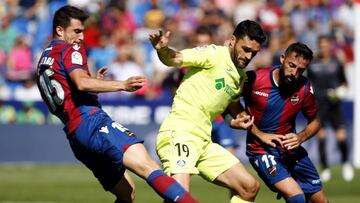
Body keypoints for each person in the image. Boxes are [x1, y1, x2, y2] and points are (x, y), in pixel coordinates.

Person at [36, 5, 198, 203]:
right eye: (76, 31)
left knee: (126, 194)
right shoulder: (70, 49)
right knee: (149, 166)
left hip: (75, 135)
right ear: (60, 30)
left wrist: (94, 84)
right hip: (92, 122)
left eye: (83, 32)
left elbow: (69, 91)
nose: (81, 38)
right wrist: (123, 84)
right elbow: (81, 82)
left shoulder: (44, 59)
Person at [149, 20, 266, 203]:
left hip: (204, 141)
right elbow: (175, 58)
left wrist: (233, 120)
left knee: (249, 187)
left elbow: (231, 106)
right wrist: (162, 49)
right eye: (245, 49)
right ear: (233, 40)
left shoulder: (240, 76)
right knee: (180, 197)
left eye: (254, 53)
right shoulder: (212, 53)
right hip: (180, 133)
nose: (248, 56)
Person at [240, 42, 328, 203]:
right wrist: (257, 133)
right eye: (291, 65)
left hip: (291, 151)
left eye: (301, 70)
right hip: (261, 151)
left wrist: (300, 137)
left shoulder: (304, 87)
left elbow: (316, 121)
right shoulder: (255, 79)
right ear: (282, 59)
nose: (294, 73)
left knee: (320, 201)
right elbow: (229, 102)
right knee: (297, 198)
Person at [307, 35, 354, 182]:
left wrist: (340, 91)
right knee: (322, 136)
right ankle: (325, 168)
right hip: (319, 105)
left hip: (334, 105)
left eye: (326, 45)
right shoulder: (313, 65)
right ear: (319, 46)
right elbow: (308, 85)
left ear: (330, 46)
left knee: (341, 135)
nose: (323, 47)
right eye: (321, 45)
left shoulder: (336, 63)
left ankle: (346, 163)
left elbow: (345, 83)